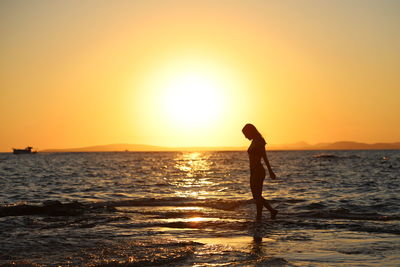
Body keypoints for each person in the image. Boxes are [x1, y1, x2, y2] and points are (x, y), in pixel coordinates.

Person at [242, 123, 278, 221]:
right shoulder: (254, 141)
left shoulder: (259, 141)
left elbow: (264, 157)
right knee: (256, 196)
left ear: (250, 132)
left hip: (258, 170)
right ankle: (270, 212)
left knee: (257, 196)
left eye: (246, 134)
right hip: (253, 171)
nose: (245, 137)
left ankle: (260, 217)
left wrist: (271, 171)